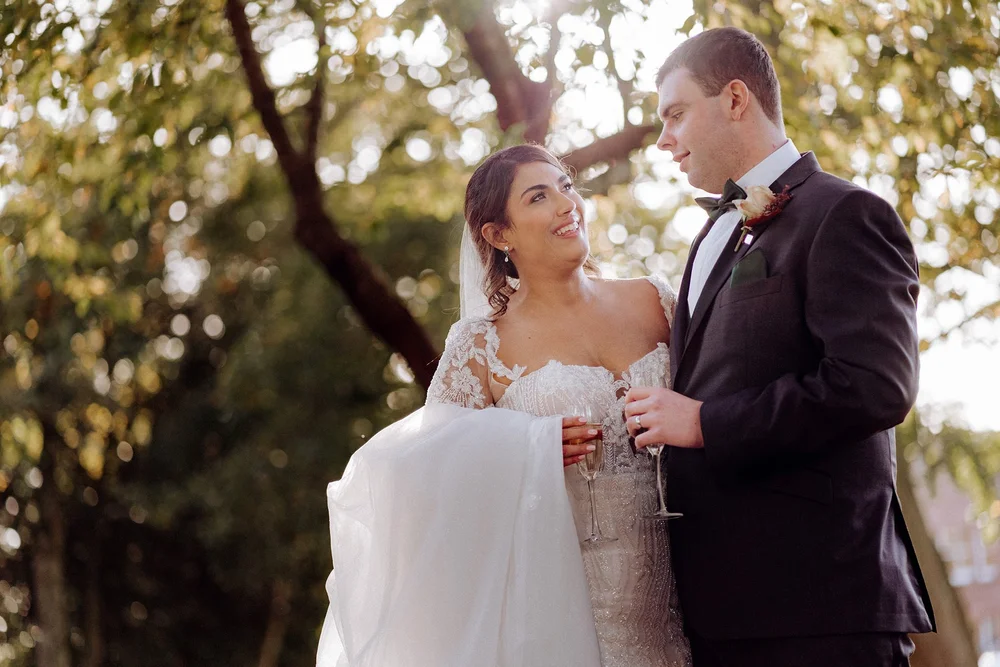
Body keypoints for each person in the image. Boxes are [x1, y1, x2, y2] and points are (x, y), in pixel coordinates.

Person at [623, 26, 935, 667]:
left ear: (735, 99)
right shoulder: (709, 236)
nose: (663, 140)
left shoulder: (845, 214)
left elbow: (873, 386)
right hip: (720, 612)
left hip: (821, 608)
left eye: (676, 114)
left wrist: (705, 422)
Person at [317, 144, 691, 667]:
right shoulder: (478, 345)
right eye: (540, 197)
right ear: (499, 235)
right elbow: (423, 480)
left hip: (692, 595)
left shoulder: (656, 300)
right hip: (562, 612)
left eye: (566, 186)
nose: (567, 204)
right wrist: (527, 447)